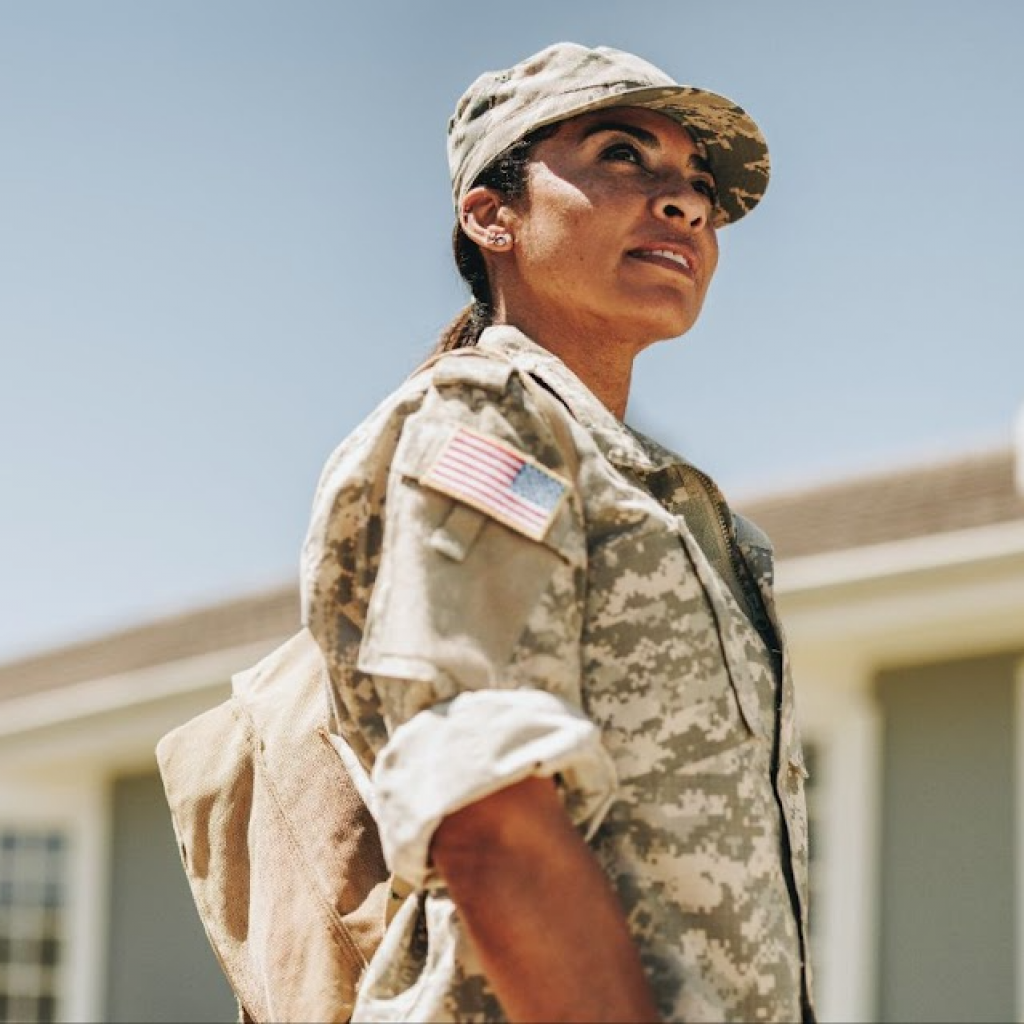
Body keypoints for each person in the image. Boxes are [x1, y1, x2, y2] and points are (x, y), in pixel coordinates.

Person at [301, 41, 813, 1023]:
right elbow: (487, 808)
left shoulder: (672, 500)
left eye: (698, 187)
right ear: (491, 214)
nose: (685, 204)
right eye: (623, 155)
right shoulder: (490, 418)